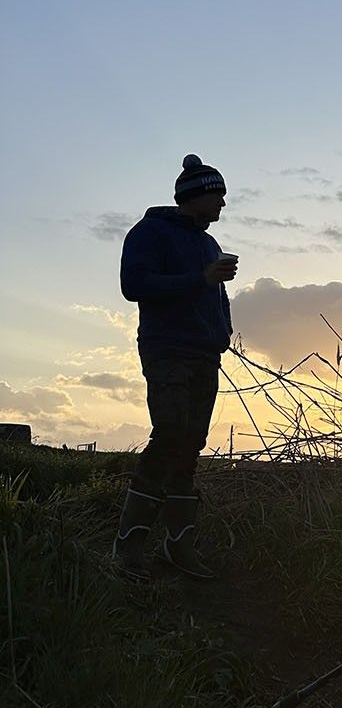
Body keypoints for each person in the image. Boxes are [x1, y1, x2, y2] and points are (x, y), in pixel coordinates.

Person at [111, 154, 237, 581]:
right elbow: (135, 286)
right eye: (217, 197)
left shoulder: (208, 244)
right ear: (195, 196)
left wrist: (223, 333)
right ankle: (127, 549)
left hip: (205, 354)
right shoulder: (149, 233)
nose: (222, 205)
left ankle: (177, 546)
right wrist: (200, 278)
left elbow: (213, 294)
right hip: (167, 351)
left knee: (190, 446)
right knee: (169, 435)